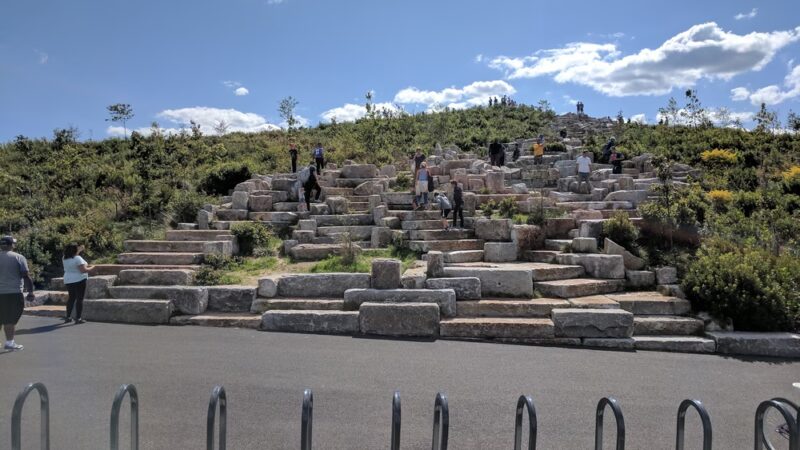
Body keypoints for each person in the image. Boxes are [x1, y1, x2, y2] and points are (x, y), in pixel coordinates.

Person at [0, 236, 35, 351]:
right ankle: (9, 342)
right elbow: (25, 275)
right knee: (10, 319)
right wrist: (30, 292)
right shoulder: (18, 257)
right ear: (11, 245)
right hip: (13, 292)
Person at [62, 243, 92, 324]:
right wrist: (93, 267)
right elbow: (83, 270)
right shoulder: (78, 258)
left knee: (71, 298)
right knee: (79, 299)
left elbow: (74, 255)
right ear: (75, 250)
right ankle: (78, 318)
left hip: (68, 280)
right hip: (79, 279)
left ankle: (68, 317)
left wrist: (79, 249)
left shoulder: (64, 258)